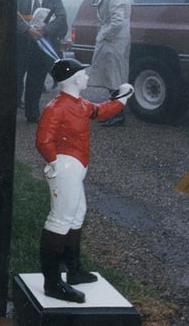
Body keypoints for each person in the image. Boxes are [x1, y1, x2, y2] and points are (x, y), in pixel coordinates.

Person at [35, 58, 133, 303]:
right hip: (66, 166)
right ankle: (52, 282)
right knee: (61, 219)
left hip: (75, 167)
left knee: (77, 214)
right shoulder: (56, 108)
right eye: (85, 74)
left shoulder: (79, 104)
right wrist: (53, 162)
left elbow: (101, 111)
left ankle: (73, 271)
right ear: (76, 78)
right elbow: (43, 140)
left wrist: (121, 98)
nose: (88, 78)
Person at [17, 0, 68, 122]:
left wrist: (44, 30)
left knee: (36, 82)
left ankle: (32, 114)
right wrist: (27, 30)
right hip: (22, 46)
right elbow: (13, 16)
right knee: (16, 79)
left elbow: (61, 18)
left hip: (41, 47)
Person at [89, 0, 132, 127]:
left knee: (115, 78)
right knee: (113, 76)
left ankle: (117, 115)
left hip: (114, 41)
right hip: (115, 41)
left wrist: (104, 34)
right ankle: (115, 113)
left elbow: (117, 21)